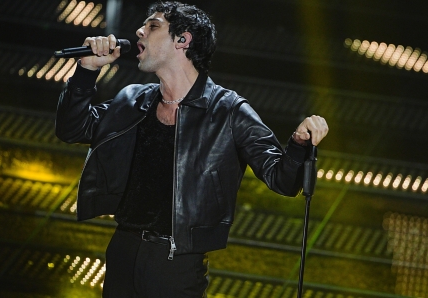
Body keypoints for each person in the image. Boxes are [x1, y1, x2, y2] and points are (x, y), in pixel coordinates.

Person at [55, 1, 328, 297]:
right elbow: (73, 129)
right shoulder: (133, 101)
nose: (139, 31)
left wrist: (299, 144)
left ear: (183, 40)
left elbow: (283, 180)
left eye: (153, 26)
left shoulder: (228, 111)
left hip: (177, 264)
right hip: (123, 250)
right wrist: (85, 72)